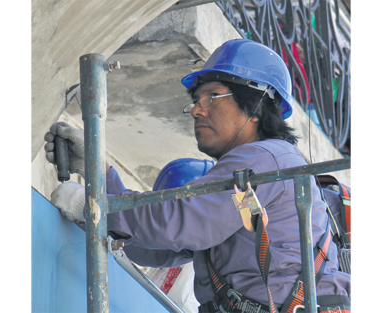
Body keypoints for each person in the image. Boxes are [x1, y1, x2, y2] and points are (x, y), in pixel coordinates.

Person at [45, 39, 352, 313]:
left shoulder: (268, 158)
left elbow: (179, 222)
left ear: (256, 105)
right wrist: (101, 174)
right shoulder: (254, 171)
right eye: (195, 100)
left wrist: (97, 207)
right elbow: (154, 248)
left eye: (211, 97)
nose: (196, 110)